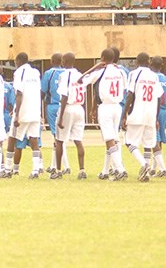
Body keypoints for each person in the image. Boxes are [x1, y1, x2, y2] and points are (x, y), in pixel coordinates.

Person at [78, 49, 128, 180]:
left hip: (105, 107)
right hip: (117, 106)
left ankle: (120, 169)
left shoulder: (100, 71)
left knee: (109, 139)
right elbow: (124, 87)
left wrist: (94, 67)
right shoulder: (121, 71)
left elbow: (80, 80)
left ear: (102, 58)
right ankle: (106, 171)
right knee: (113, 138)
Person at [122, 52, 162, 182]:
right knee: (147, 143)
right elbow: (158, 97)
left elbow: (130, 95)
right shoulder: (154, 76)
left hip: (138, 112)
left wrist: (124, 114)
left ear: (137, 62)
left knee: (128, 141)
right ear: (149, 62)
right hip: (150, 113)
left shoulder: (134, 74)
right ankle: (146, 173)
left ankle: (144, 164)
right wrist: (156, 118)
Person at [2, 53, 43, 178]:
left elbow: (19, 93)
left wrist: (17, 114)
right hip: (35, 111)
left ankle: (8, 169)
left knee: (12, 138)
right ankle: (36, 170)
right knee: (34, 140)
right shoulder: (35, 72)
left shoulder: (19, 72)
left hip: (23, 110)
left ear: (19, 61)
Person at [54, 52, 86, 180]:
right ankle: (82, 170)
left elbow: (64, 96)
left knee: (60, 140)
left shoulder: (64, 75)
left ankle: (58, 170)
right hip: (80, 108)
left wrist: (61, 116)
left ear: (64, 61)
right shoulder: (80, 75)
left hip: (68, 107)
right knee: (78, 141)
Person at [150, 56, 166, 177]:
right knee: (159, 139)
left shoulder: (151, 78)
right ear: (162, 65)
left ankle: (161, 168)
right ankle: (155, 167)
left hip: (153, 110)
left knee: (153, 138)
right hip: (163, 111)